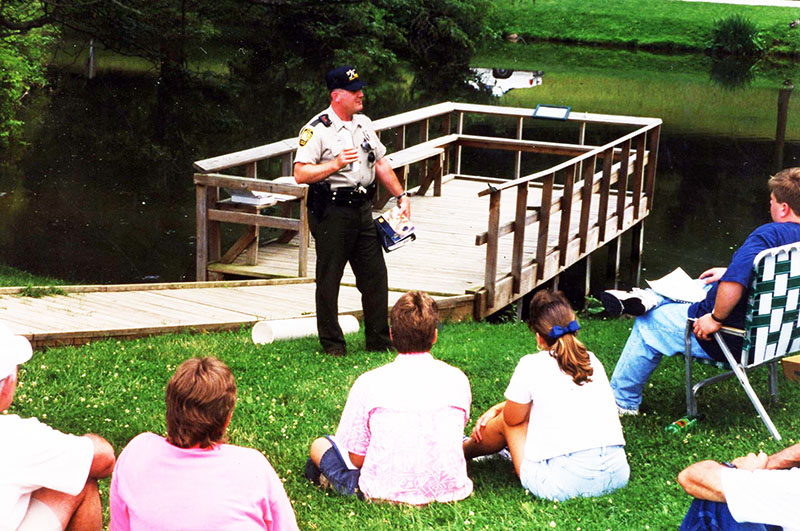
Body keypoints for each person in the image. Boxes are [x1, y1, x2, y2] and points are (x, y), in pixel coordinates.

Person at [606, 167, 800, 415]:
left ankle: (621, 401)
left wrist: (715, 318)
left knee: (649, 323)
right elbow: (768, 279)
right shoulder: (791, 247)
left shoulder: (768, 236)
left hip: (734, 338)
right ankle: (648, 297)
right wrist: (731, 271)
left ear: (783, 208)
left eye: (772, 202)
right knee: (705, 281)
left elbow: (733, 286)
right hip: (776, 336)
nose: (770, 206)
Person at [304, 291, 472, 505]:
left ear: (392, 335)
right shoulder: (457, 379)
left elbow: (357, 459)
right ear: (434, 336)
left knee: (320, 446)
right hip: (451, 488)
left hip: (383, 490)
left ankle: (326, 477)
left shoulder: (368, 382)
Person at [463, 290, 629, 502]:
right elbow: (556, 398)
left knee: (508, 422)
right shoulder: (592, 360)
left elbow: (513, 419)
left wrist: (499, 411)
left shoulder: (531, 364)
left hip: (565, 485)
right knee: (519, 413)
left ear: (539, 337)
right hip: (617, 474)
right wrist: (498, 406)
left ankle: (462, 451)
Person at [293, 65, 411, 356]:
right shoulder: (316, 129)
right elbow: (299, 174)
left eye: (361, 89)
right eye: (354, 91)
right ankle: (333, 345)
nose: (361, 94)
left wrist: (401, 195)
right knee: (329, 278)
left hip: (362, 210)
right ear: (336, 96)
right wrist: (333, 165)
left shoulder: (364, 123)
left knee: (375, 276)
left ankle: (379, 341)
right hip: (331, 211)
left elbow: (380, 163)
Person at [109, 357, 298, 531]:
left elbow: (120, 526)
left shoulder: (137, 452)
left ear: (169, 409)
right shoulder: (253, 466)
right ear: (227, 420)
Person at [0, 322, 116, 531]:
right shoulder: (17, 437)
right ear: (7, 384)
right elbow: (104, 459)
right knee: (79, 482)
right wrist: (86, 441)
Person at [677, 443, 800, 530]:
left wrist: (740, 469)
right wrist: (774, 462)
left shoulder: (790, 486)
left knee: (719, 504)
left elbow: (690, 478)